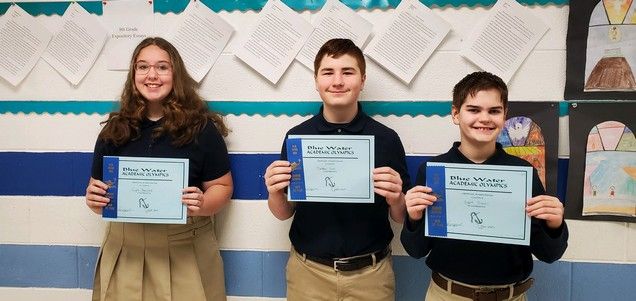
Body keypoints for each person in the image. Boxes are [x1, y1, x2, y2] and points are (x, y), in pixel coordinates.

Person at [84, 37, 233, 301]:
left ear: (175, 73)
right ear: (133, 75)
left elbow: (222, 187)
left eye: (162, 67)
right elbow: (98, 197)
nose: (152, 75)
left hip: (184, 248)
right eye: (143, 67)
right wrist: (94, 199)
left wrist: (202, 203)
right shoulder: (114, 130)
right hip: (124, 249)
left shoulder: (202, 129)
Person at [400, 71, 568, 301]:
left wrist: (555, 225)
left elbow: (549, 254)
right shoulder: (433, 171)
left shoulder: (523, 173)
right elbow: (416, 250)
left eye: (494, 111)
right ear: (455, 114)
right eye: (474, 109)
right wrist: (414, 219)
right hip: (447, 295)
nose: (485, 118)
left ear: (504, 115)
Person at [264, 38, 410, 300]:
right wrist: (274, 191)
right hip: (308, 274)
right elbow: (284, 213)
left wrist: (398, 198)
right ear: (317, 80)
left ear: (362, 80)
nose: (338, 81)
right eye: (328, 72)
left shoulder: (386, 139)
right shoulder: (298, 138)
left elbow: (400, 217)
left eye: (348, 72)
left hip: (371, 275)